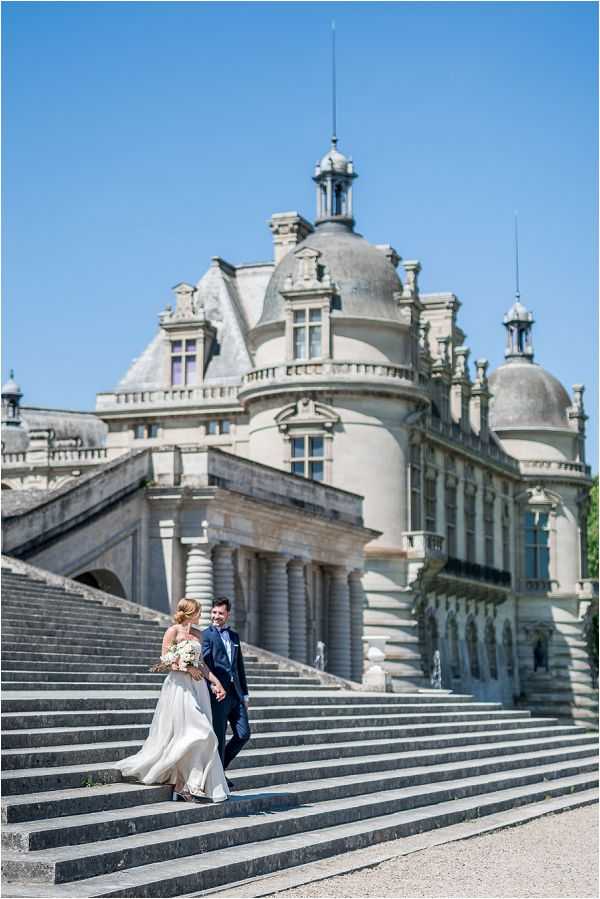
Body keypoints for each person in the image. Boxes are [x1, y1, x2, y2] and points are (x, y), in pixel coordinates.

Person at [116, 598, 230, 803]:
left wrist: (216, 682)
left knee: (195, 734)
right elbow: (165, 661)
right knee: (200, 733)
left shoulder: (198, 634)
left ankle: (185, 785)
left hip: (198, 688)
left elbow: (202, 664)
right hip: (178, 687)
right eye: (198, 611)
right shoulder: (173, 631)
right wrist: (187, 668)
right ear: (189, 612)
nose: (200, 614)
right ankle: (184, 784)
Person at [202, 597, 251, 788]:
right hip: (218, 694)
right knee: (219, 736)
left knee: (243, 734)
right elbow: (204, 663)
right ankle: (218, 775)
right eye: (214, 612)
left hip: (236, 694)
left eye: (220, 613)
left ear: (227, 614)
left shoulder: (234, 637)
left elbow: (239, 667)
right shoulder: (206, 635)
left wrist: (245, 695)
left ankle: (221, 768)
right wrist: (212, 685)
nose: (216, 616)